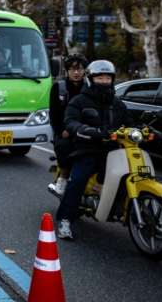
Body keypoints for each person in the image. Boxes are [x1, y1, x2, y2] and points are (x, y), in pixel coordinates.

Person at [55, 60, 133, 240]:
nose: (104, 81)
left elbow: (130, 122)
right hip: (87, 148)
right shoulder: (79, 101)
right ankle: (65, 219)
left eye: (108, 78)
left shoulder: (117, 103)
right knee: (78, 179)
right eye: (100, 77)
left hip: (113, 150)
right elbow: (70, 120)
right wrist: (83, 129)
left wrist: (144, 130)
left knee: (129, 173)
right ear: (91, 79)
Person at [47, 54, 88, 196]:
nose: (76, 73)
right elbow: (53, 114)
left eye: (80, 69)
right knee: (64, 147)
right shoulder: (59, 87)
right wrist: (61, 130)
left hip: (86, 130)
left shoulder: (89, 88)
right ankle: (62, 180)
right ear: (67, 71)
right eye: (72, 69)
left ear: (84, 71)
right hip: (64, 131)